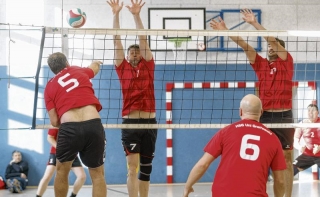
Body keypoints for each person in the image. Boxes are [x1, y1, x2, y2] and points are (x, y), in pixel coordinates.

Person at [210, 8, 294, 197]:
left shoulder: (286, 62)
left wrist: (254, 23)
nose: (271, 48)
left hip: (284, 116)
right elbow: (244, 45)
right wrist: (226, 31)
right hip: (264, 116)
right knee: (262, 158)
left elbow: (271, 40)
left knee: (287, 159)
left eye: (274, 46)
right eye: (269, 47)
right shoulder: (261, 64)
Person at [182, 94, 286, 197]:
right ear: (261, 112)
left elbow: (202, 164)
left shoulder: (226, 132)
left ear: (240, 111)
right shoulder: (273, 139)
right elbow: (280, 180)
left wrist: (188, 186)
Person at [107, 0, 157, 197]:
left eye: (138, 52)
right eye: (132, 52)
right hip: (131, 124)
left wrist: (136, 15)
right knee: (131, 168)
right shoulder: (122, 68)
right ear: (127, 57)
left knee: (146, 169)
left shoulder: (148, 66)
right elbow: (115, 40)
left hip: (150, 123)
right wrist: (116, 13)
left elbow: (143, 39)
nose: (135, 54)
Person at [44, 52, 106, 197]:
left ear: (52, 69)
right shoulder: (76, 70)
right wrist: (96, 62)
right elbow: (94, 69)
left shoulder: (49, 87)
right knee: (97, 174)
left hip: (69, 128)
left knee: (61, 171)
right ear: (67, 63)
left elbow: (54, 121)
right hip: (93, 125)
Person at [36, 128, 86, 197]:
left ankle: (73, 195)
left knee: (82, 176)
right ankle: (38, 196)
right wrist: (60, 148)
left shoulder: (77, 124)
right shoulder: (57, 123)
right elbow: (49, 138)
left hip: (71, 154)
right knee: (47, 176)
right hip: (56, 153)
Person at [293, 104, 320, 175]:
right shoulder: (302, 124)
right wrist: (300, 147)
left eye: (313, 110)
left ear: (318, 112)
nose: (310, 113)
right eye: (308, 110)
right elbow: (295, 141)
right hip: (307, 155)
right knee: (290, 170)